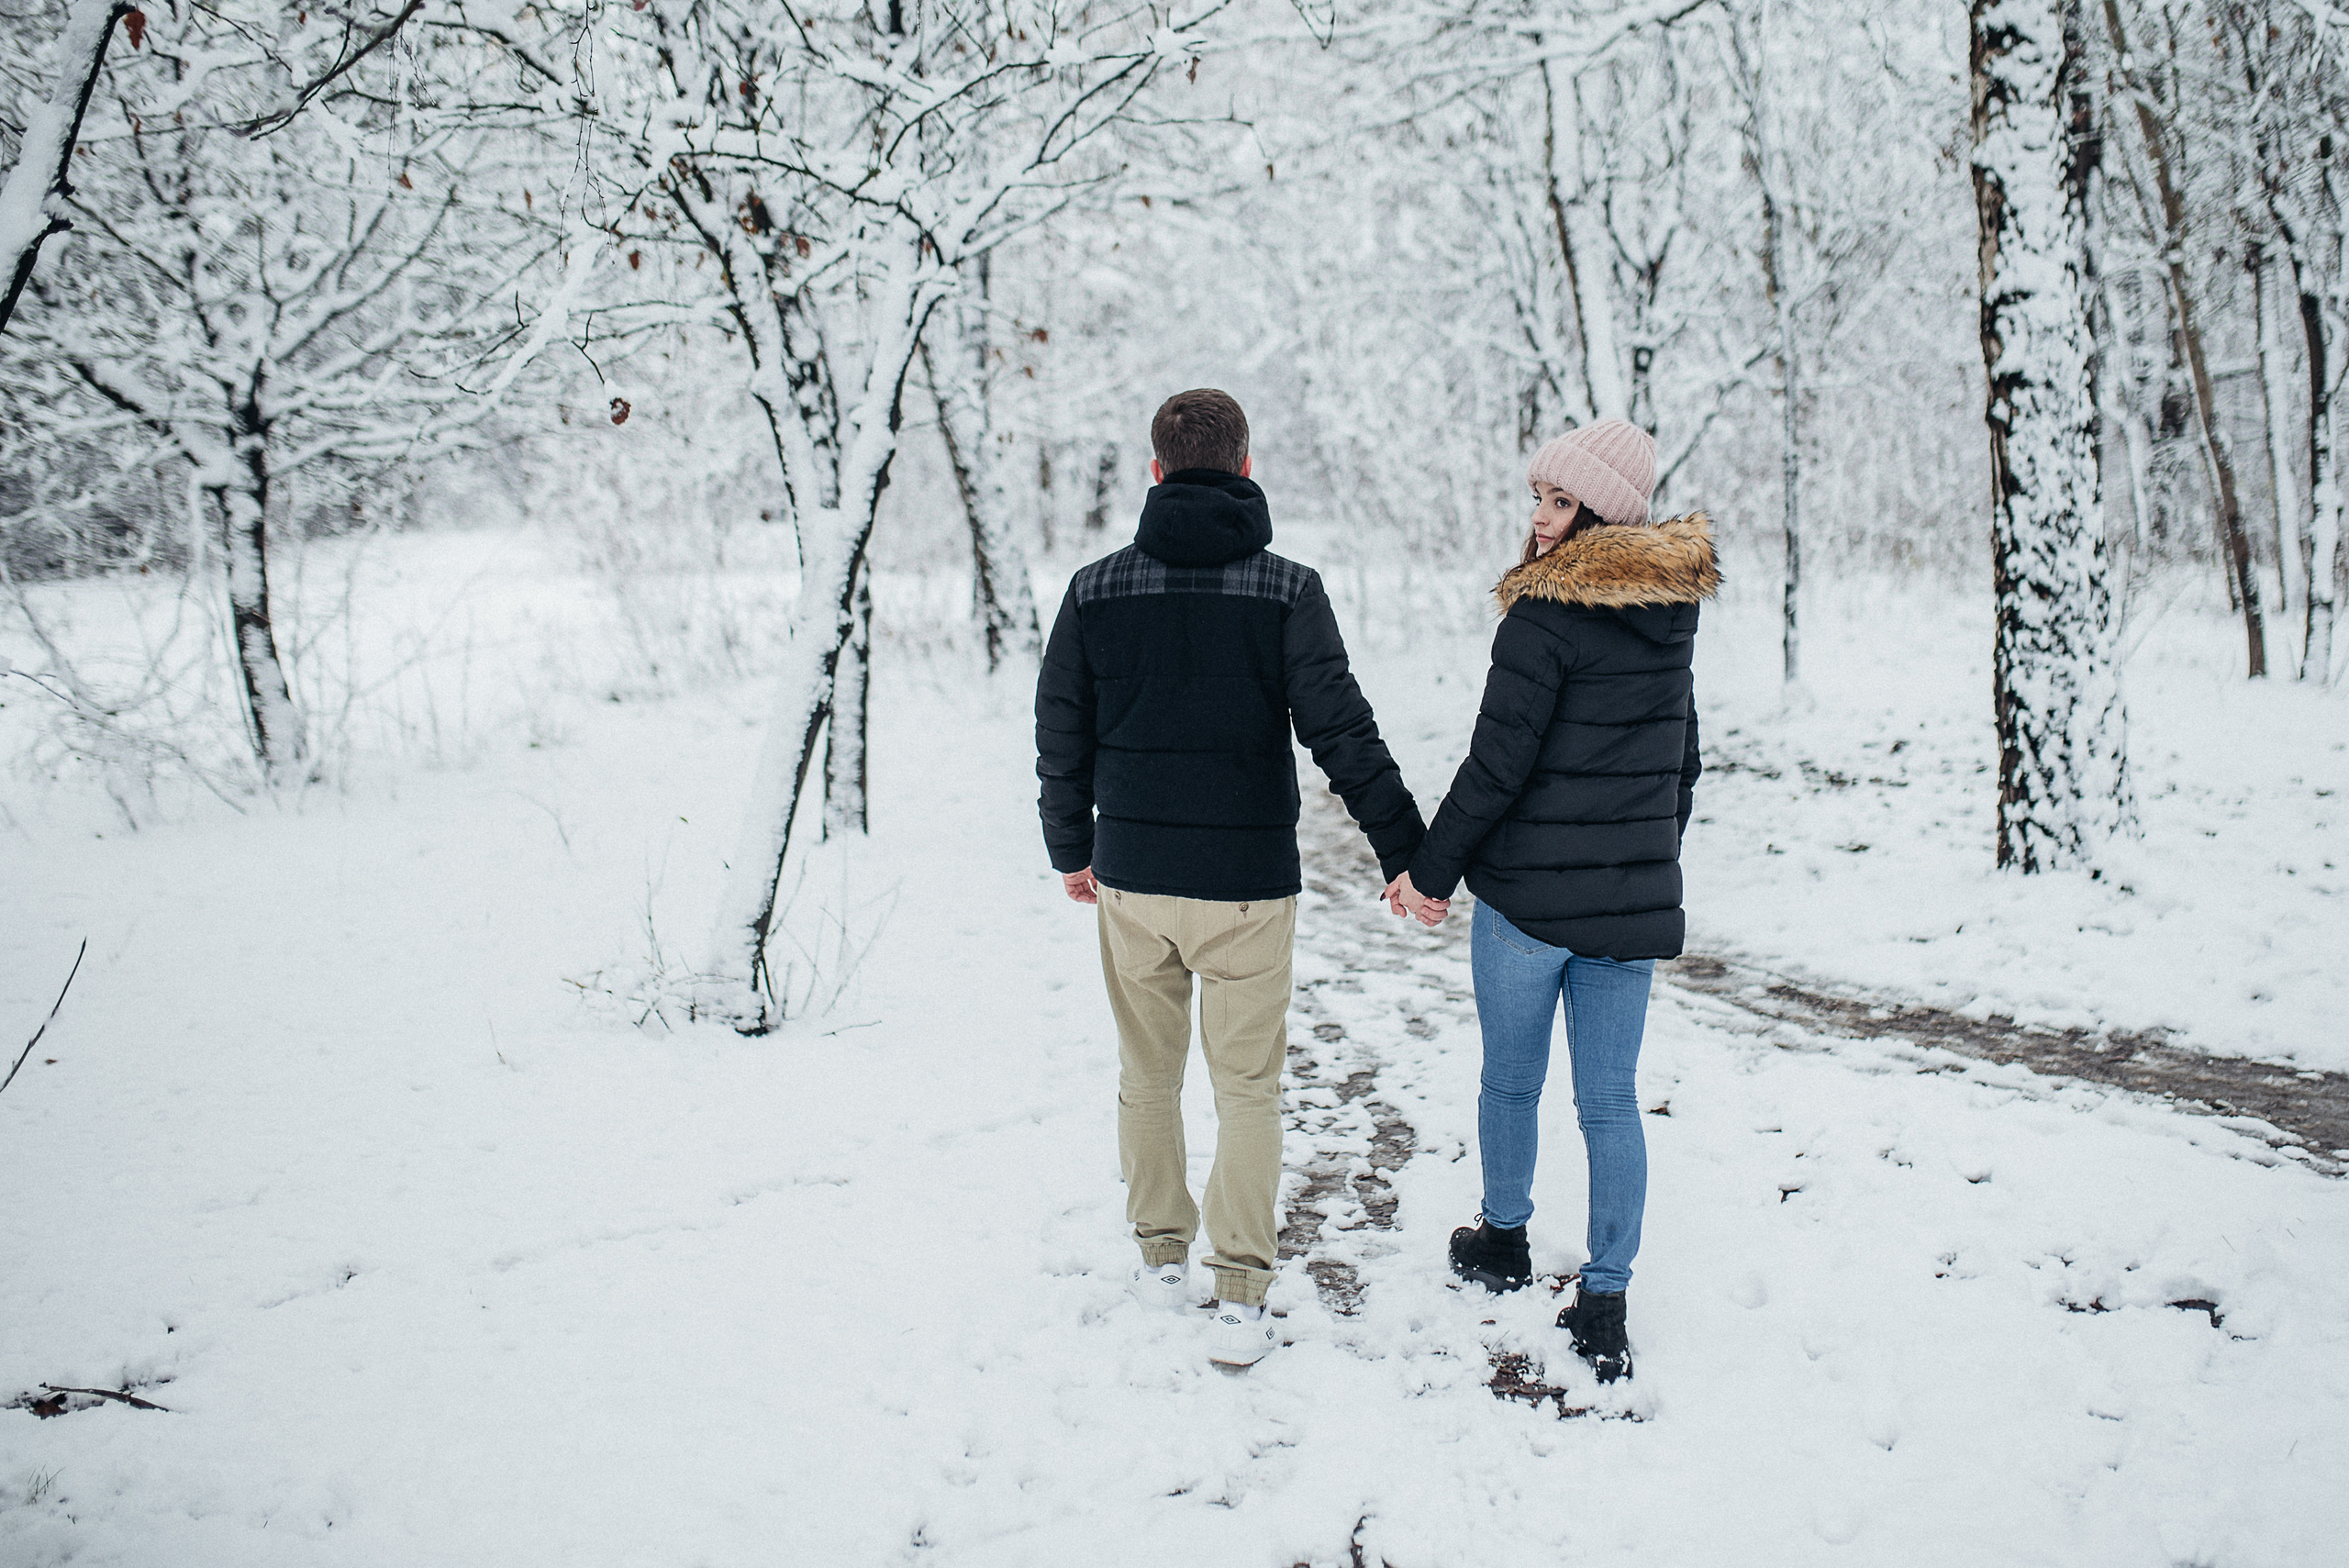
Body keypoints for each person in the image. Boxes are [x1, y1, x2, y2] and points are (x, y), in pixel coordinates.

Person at [1037, 389, 1426, 1369]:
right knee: (1248, 1086)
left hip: (1134, 877)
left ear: (1156, 471)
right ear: (1246, 468)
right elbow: (1342, 730)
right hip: (1248, 883)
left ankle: (1160, 1256)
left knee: (1147, 1073)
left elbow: (1060, 732)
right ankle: (1240, 1290)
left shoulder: (1095, 589)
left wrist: (1070, 847)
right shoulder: (1286, 590)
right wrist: (1406, 850)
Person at [1386, 418, 1716, 1385]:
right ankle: (1605, 1301)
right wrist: (1642, 856)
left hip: (1525, 908)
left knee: (1511, 1082)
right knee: (1610, 1102)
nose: (1540, 517)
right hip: (1625, 915)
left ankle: (1502, 1241)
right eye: (1538, 495)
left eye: (1561, 500)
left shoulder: (1538, 616)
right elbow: (1682, 764)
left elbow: (1495, 768)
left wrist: (1430, 872)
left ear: (1602, 512)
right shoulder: (1670, 614)